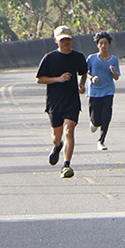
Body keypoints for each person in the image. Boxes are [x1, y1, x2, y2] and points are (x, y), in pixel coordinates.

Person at [35, 25, 88, 178]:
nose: (66, 42)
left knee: (69, 131)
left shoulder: (78, 57)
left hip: (72, 101)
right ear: (56, 40)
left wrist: (82, 83)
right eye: (62, 39)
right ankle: (58, 146)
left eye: (68, 39)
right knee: (57, 136)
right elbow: (39, 79)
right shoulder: (49, 58)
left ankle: (66, 165)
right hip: (54, 102)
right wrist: (58, 79)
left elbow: (83, 71)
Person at [85, 32, 120, 151]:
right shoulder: (91, 58)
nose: (103, 45)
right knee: (96, 118)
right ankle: (94, 123)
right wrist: (91, 78)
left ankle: (101, 140)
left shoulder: (113, 59)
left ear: (109, 44)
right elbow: (85, 72)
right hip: (94, 91)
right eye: (101, 43)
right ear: (97, 45)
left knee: (106, 116)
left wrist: (114, 72)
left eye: (105, 43)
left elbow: (116, 77)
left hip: (108, 91)